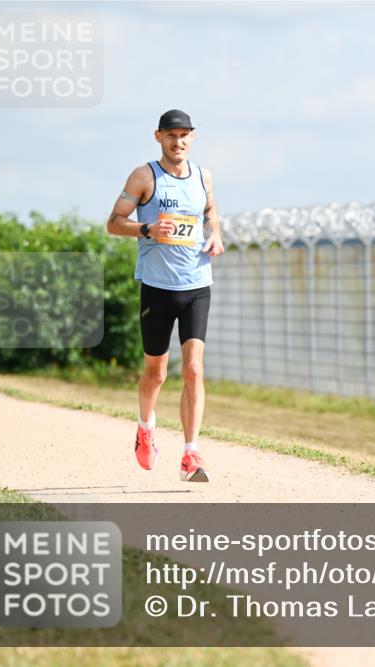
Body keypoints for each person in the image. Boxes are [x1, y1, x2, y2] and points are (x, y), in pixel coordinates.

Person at [106, 109, 224, 482]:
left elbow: (210, 211)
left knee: (194, 369)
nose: (178, 142)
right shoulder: (144, 176)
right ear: (158, 137)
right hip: (157, 288)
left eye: (184, 135)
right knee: (156, 373)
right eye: (171, 135)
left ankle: (190, 454)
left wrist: (216, 235)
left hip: (197, 285)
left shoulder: (203, 176)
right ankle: (145, 428)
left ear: (193, 137)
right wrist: (148, 229)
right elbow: (113, 223)